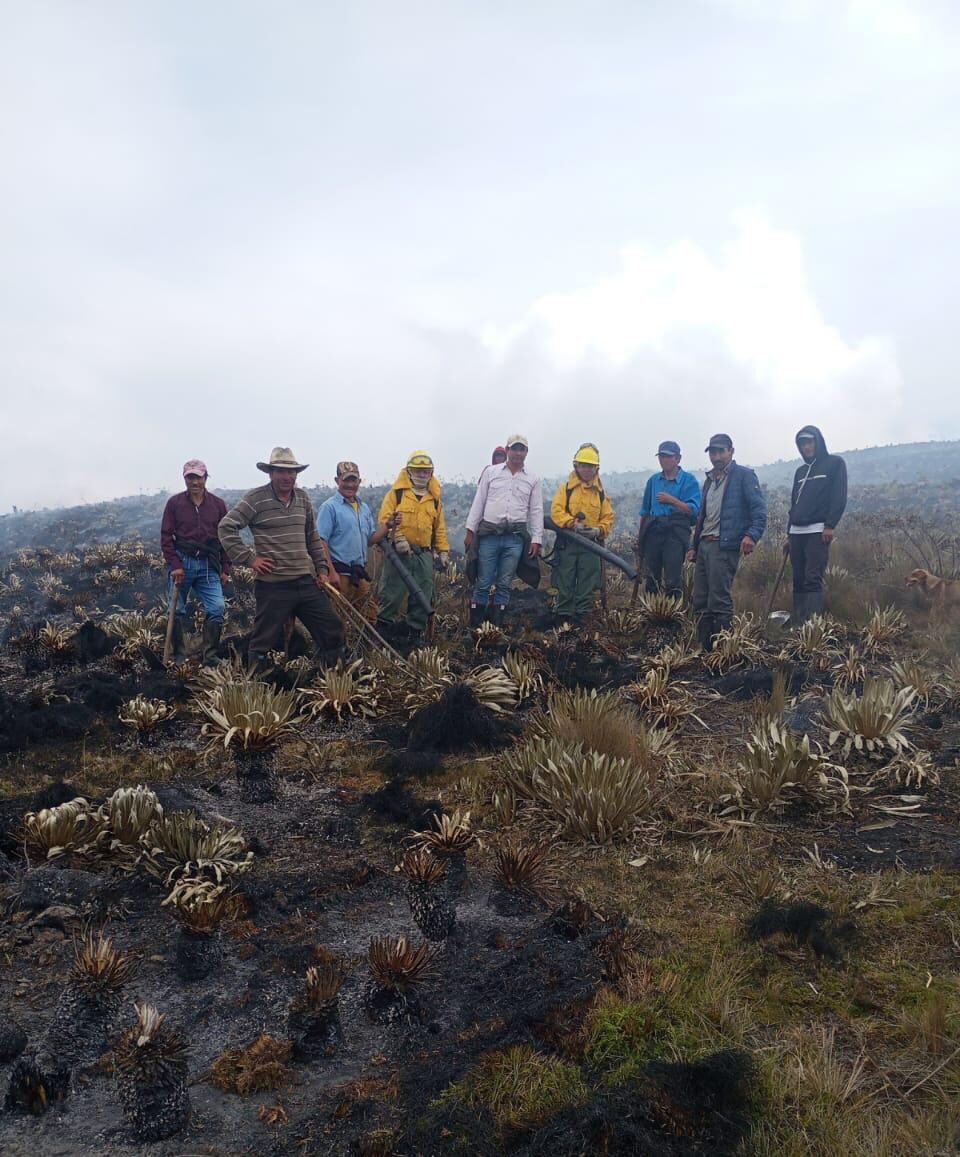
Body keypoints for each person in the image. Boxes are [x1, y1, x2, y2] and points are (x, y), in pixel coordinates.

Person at [218, 447, 343, 667]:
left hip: (304, 580)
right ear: (271, 473)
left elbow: (312, 537)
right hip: (273, 584)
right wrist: (250, 559)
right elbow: (226, 527)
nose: (287, 477)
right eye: (281, 472)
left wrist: (322, 570)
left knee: (331, 628)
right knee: (263, 640)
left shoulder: (303, 498)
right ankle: (258, 683)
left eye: (292, 472)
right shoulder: (256, 498)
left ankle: (330, 675)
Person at [687, 434, 767, 650]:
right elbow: (703, 516)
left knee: (719, 600)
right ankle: (705, 650)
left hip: (724, 546)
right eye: (713, 452)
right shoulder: (709, 481)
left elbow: (759, 510)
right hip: (704, 544)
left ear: (731, 451)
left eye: (721, 451)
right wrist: (694, 546)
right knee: (700, 600)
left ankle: (723, 652)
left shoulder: (744, 476)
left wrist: (751, 535)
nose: (717, 456)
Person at [464, 435, 544, 628]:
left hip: (514, 539)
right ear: (507, 450)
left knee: (504, 583)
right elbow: (479, 502)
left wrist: (536, 538)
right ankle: (476, 628)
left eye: (521, 449)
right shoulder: (491, 473)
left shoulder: (532, 478)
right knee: (483, 582)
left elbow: (536, 510)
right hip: (489, 536)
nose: (518, 453)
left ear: (526, 452)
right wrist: (470, 530)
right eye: (514, 449)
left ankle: (495, 628)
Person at [160, 459, 230, 665]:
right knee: (176, 610)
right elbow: (166, 537)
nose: (194, 482)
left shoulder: (218, 505)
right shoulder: (174, 504)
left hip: (208, 564)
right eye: (190, 477)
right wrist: (175, 565)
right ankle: (180, 655)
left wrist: (225, 567)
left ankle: (210, 656)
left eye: (198, 477)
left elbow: (225, 538)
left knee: (217, 608)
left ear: (205, 477)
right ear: (185, 479)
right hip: (183, 561)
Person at [375, 451, 449, 640]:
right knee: (392, 591)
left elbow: (439, 528)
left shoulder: (434, 499)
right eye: (418, 471)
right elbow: (385, 518)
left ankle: (413, 633)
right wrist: (398, 538)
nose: (422, 475)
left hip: (423, 553)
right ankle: (384, 630)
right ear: (409, 472)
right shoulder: (397, 494)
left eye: (426, 472)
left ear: (431, 473)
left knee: (423, 591)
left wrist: (443, 552)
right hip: (398, 554)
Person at [315, 461, 392, 624]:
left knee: (369, 618)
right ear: (337, 481)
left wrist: (388, 526)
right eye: (346, 480)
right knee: (337, 619)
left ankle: (364, 649)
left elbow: (369, 540)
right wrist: (330, 571)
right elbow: (321, 541)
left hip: (359, 575)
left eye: (354, 480)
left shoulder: (363, 508)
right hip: (339, 575)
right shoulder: (329, 508)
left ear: (359, 481)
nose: (350, 485)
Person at [786, 425, 848, 624]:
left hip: (817, 530)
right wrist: (789, 534)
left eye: (809, 442)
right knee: (798, 577)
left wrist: (830, 525)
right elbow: (793, 504)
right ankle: (798, 621)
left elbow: (839, 497)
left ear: (818, 441)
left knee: (812, 577)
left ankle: (812, 626)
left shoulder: (835, 464)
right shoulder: (800, 472)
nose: (806, 447)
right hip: (796, 532)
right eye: (802, 443)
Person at [549, 443, 615, 624]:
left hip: (591, 546)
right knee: (565, 578)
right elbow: (556, 511)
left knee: (588, 580)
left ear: (597, 469)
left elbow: (608, 517)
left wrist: (598, 530)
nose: (587, 470)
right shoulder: (566, 489)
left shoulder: (600, 494)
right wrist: (571, 524)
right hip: (568, 543)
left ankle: (583, 618)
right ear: (576, 466)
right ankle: (563, 617)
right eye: (583, 465)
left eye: (590, 466)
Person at [638, 441, 701, 599]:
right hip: (653, 531)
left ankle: (673, 617)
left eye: (668, 456)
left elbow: (694, 510)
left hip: (675, 533)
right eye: (661, 456)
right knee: (651, 578)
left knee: (673, 579)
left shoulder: (689, 480)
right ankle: (651, 616)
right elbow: (645, 511)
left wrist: (672, 500)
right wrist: (641, 539)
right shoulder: (653, 481)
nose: (664, 460)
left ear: (678, 459)